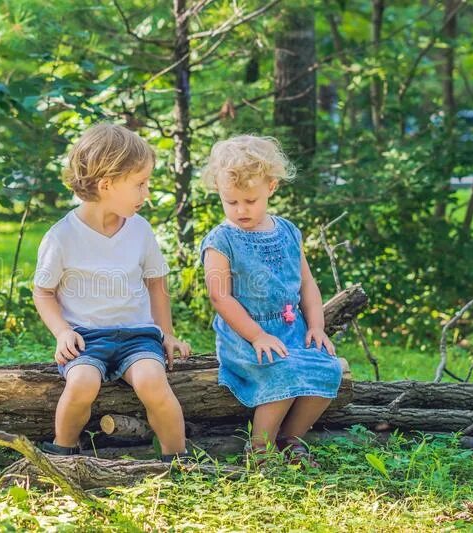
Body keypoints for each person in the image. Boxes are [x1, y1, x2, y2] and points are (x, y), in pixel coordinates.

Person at [33, 123, 192, 462]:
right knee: (81, 383)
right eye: (140, 184)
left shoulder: (139, 230)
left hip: (137, 336)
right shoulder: (61, 237)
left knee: (153, 381)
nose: (146, 193)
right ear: (106, 185)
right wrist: (62, 333)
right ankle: (63, 452)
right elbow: (43, 293)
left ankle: (178, 460)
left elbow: (156, 283)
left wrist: (166, 334)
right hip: (86, 338)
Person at [199, 135, 343, 467]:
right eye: (230, 202)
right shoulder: (222, 239)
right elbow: (220, 297)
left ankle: (290, 438)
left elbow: (306, 283)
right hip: (245, 335)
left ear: (271, 187)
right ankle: (259, 449)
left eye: (249, 200)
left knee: (328, 369)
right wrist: (257, 335)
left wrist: (318, 326)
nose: (240, 210)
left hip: (292, 329)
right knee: (285, 371)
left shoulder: (288, 231)